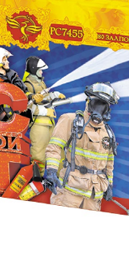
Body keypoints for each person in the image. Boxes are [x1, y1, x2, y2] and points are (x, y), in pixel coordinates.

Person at [45, 82, 119, 211]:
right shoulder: (70, 120)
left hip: (93, 198)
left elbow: (109, 161)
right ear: (89, 102)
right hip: (69, 195)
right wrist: (51, 171)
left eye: (103, 105)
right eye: (96, 103)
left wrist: (109, 184)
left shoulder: (108, 133)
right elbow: (54, 147)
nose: (99, 109)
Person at [23, 56, 65, 173]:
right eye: (40, 70)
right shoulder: (27, 85)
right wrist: (46, 112)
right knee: (39, 153)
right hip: (39, 124)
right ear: (34, 69)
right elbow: (27, 106)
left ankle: (60, 176)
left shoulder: (40, 83)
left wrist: (55, 95)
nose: (42, 72)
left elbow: (45, 98)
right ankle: (38, 178)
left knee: (56, 150)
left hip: (49, 123)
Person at [0, 47, 43, 121]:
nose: (8, 62)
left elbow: (24, 91)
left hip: (20, 116)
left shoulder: (13, 75)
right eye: (5, 60)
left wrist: (33, 96)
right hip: (4, 121)